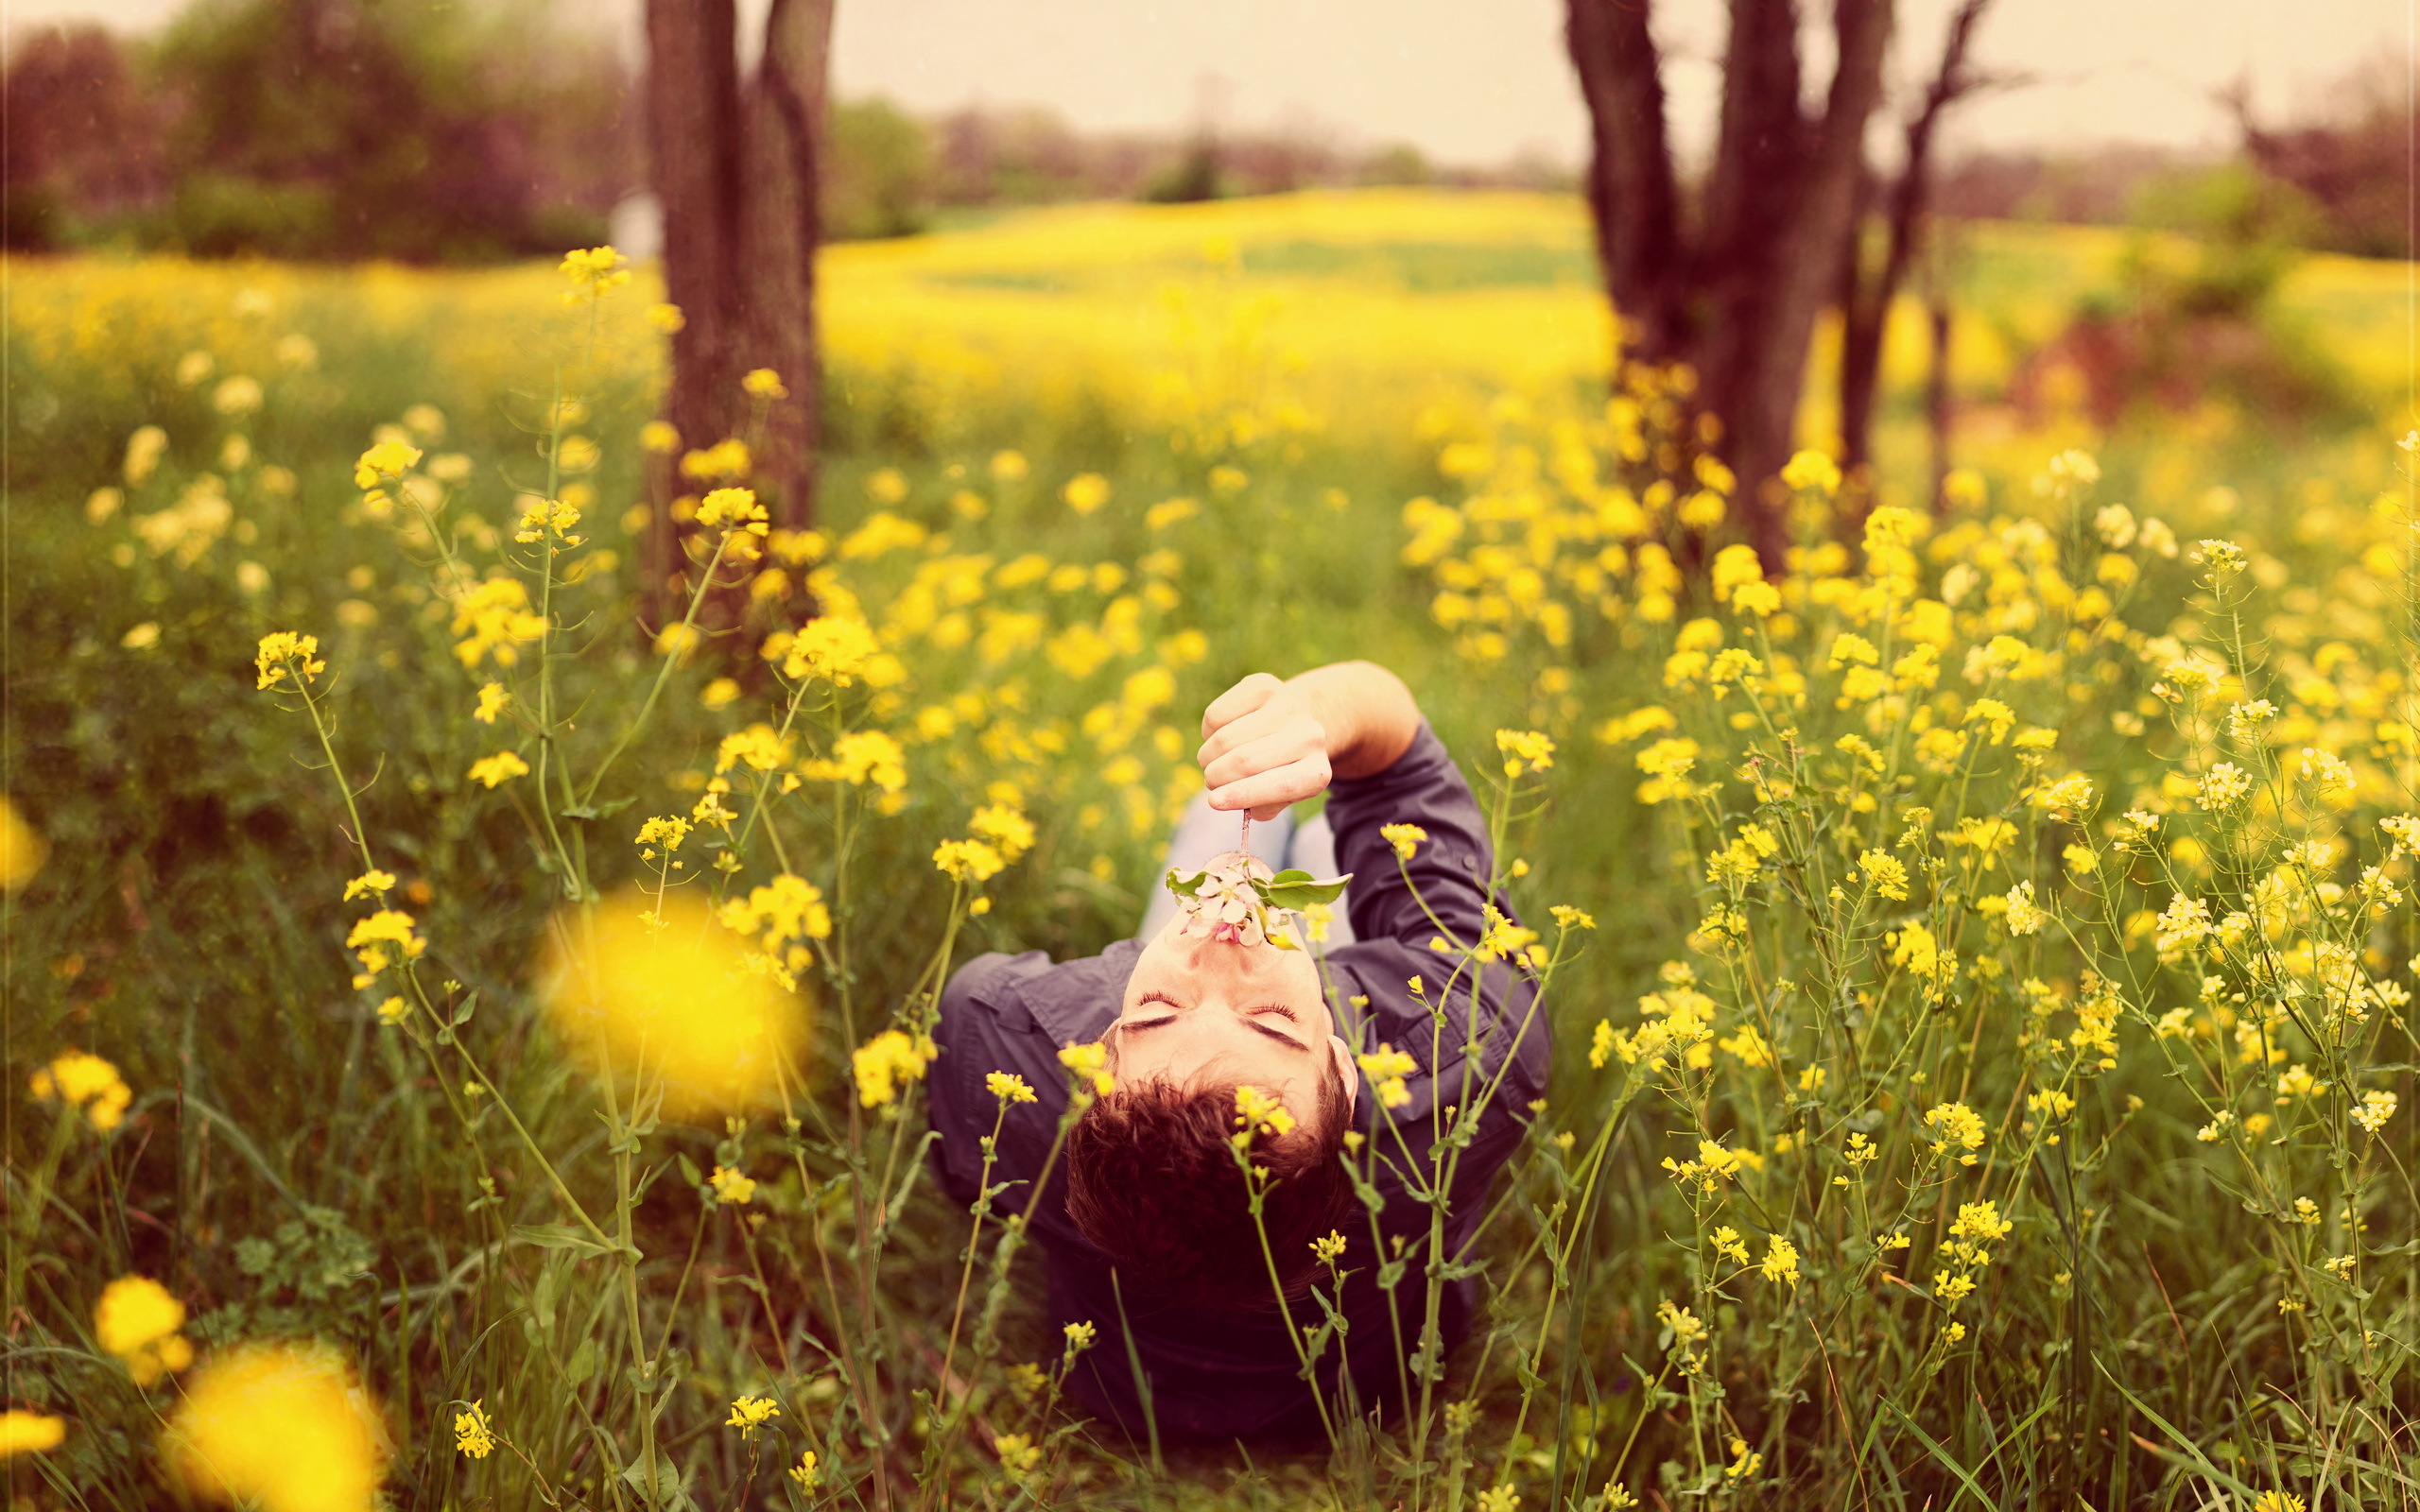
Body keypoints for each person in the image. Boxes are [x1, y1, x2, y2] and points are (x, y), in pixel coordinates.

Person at [929, 661, 1547, 1443]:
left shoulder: (997, 1043)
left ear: (1100, 1054)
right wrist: (1314, 715)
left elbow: (965, 1180)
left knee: (1222, 823)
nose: (1225, 939)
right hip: (1365, 1396)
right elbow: (1401, 763)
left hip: (1121, 1394)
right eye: (1275, 1021)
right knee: (1328, 836)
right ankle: (1316, 845)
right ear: (1344, 1071)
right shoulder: (1480, 1051)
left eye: (1156, 1011)